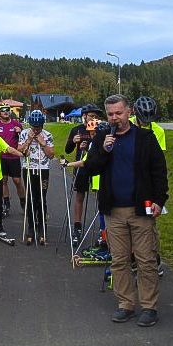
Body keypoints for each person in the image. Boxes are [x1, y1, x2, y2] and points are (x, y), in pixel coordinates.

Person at [82, 95, 168, 327]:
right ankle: (126, 304)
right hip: (113, 210)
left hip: (141, 209)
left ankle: (149, 307)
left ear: (129, 112)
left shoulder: (145, 137)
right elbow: (90, 168)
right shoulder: (102, 137)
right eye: (110, 114)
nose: (114, 118)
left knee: (145, 259)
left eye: (119, 113)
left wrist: (160, 200)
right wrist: (104, 150)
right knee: (119, 260)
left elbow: (159, 171)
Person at [130, 96, 167, 277]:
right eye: (143, 120)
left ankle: (154, 260)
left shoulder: (158, 131)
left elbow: (159, 164)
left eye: (149, 120)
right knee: (128, 226)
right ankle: (132, 259)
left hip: (147, 187)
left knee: (148, 225)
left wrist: (158, 197)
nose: (145, 123)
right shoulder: (126, 124)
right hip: (129, 185)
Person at [65, 104, 104, 245]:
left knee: (101, 197)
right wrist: (73, 141)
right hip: (81, 166)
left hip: (96, 167)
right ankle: (77, 227)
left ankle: (103, 229)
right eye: (91, 116)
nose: (94, 118)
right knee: (80, 195)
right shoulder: (76, 129)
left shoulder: (100, 129)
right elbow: (68, 150)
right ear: (84, 116)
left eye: (96, 116)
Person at [18, 110, 54, 245]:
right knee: (30, 198)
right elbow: (20, 151)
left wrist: (42, 143)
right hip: (28, 168)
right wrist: (28, 140)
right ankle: (31, 227)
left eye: (38, 127)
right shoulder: (24, 133)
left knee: (41, 198)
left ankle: (42, 228)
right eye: (34, 127)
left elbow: (51, 155)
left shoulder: (47, 135)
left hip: (43, 169)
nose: (36, 129)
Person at [0, 104, 24, 216]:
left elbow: (24, 138)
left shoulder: (16, 124)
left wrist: (20, 131)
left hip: (14, 157)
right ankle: (6, 205)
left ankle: (23, 202)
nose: (6, 112)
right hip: (2, 157)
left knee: (17, 181)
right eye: (3, 110)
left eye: (7, 110)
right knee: (4, 181)